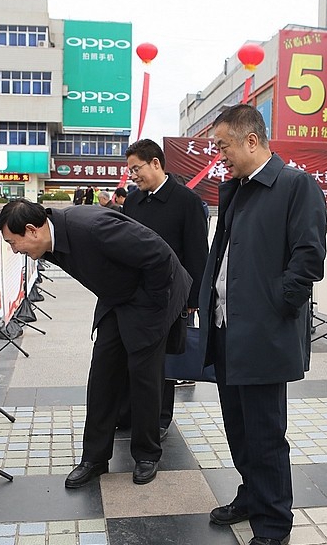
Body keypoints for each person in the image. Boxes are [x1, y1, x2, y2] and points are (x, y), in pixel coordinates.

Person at [199, 104, 327, 545]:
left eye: (224, 146)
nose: (220, 156)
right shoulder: (237, 188)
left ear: (251, 140)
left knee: (266, 434)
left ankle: (273, 524)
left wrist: (277, 304)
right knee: (238, 428)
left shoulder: (295, 185)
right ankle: (252, 495)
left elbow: (308, 257)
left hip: (263, 333)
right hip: (227, 329)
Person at [0, 199, 191, 488]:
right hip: (117, 297)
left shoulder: (92, 228)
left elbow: (158, 255)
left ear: (32, 230)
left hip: (150, 298)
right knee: (102, 375)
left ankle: (147, 454)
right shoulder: (50, 241)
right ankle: (95, 458)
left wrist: (151, 307)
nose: (15, 251)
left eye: (14, 243)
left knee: (145, 377)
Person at [122, 139, 209, 439]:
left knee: (165, 360)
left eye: (137, 169)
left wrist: (194, 297)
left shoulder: (186, 201)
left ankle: (160, 417)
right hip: (134, 295)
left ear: (156, 163)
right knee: (133, 355)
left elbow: (197, 251)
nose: (133, 176)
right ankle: (130, 412)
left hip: (172, 295)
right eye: (130, 171)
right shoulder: (133, 201)